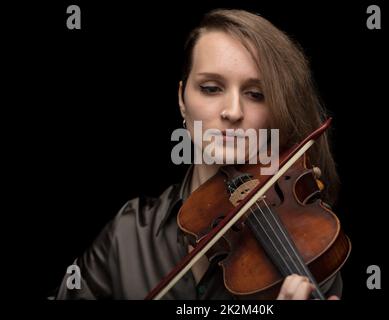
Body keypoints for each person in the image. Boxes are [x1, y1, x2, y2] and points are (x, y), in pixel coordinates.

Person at [55, 9, 342, 300]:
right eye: (211, 88)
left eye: (256, 94)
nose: (232, 111)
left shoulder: (310, 245)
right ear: (182, 100)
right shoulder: (130, 234)